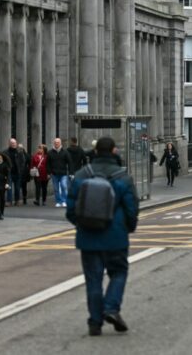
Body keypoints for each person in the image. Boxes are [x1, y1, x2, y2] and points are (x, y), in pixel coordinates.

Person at [66, 137, 138, 337]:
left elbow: (71, 209)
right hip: (116, 237)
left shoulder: (82, 174)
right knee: (119, 272)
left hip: (88, 237)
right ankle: (112, 308)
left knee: (93, 279)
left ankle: (95, 323)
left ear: (95, 152)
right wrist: (128, 228)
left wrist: (82, 225)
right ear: (114, 151)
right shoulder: (123, 177)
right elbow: (132, 209)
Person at [4, 138, 27, 206]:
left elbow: (23, 161)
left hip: (17, 172)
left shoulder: (19, 152)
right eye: (12, 143)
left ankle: (17, 200)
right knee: (9, 187)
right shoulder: (5, 152)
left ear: (16, 144)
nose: (13, 144)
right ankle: (9, 201)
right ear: (9, 144)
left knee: (17, 188)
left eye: (14, 143)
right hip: (9, 173)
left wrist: (21, 170)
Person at [48, 138, 70, 208]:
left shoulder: (65, 152)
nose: (56, 143)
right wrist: (49, 172)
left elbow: (69, 162)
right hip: (54, 174)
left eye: (58, 142)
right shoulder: (50, 152)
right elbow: (48, 164)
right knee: (56, 189)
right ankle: (58, 201)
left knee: (64, 186)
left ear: (60, 143)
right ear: (54, 143)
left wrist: (71, 171)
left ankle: (64, 201)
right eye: (55, 142)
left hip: (63, 173)